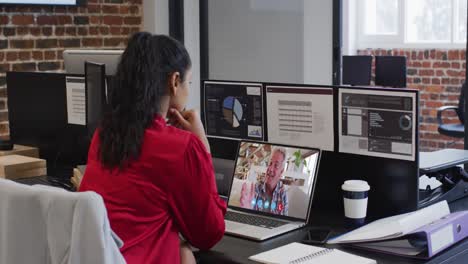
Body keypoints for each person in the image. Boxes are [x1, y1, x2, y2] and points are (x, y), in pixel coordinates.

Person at [79, 32, 226, 264]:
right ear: (174, 81)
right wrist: (202, 147)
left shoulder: (104, 133)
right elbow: (209, 233)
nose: (188, 89)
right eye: (188, 82)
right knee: (185, 251)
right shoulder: (180, 148)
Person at [239, 147, 289, 215]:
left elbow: (283, 220)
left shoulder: (283, 194)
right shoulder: (256, 188)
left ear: (281, 172)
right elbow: (249, 214)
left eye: (276, 165)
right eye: (270, 163)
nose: (270, 169)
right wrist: (246, 209)